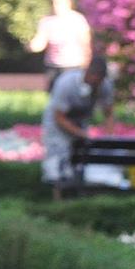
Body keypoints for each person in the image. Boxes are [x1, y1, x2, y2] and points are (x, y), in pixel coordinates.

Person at [41, 56, 114, 198]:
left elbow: (109, 113)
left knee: (80, 158)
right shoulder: (66, 83)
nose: (96, 82)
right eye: (94, 77)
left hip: (80, 123)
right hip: (58, 126)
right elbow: (59, 118)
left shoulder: (105, 86)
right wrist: (82, 134)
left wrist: (109, 137)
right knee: (59, 161)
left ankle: (79, 196)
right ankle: (58, 198)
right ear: (87, 72)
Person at [29, 0, 93, 91]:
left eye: (59, 2)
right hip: (53, 66)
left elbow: (85, 43)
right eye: (54, 2)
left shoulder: (78, 20)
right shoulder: (46, 21)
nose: (56, 5)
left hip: (73, 65)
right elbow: (40, 42)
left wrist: (86, 64)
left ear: (69, 3)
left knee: (72, 94)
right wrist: (32, 46)